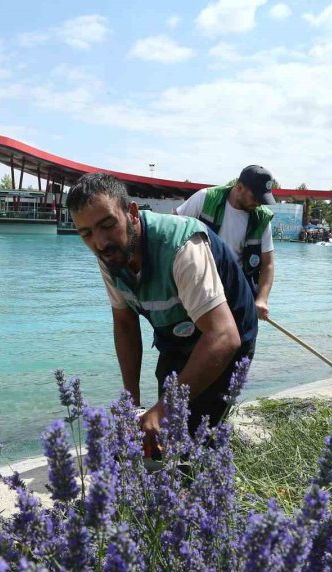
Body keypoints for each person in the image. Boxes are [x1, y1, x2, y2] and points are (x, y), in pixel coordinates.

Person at [66, 172, 258, 449]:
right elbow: (125, 324)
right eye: (86, 233)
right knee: (156, 434)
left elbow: (223, 337)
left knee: (194, 433)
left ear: (131, 212)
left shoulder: (182, 247)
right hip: (177, 333)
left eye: (108, 224)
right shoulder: (110, 253)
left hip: (227, 334)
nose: (100, 242)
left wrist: (163, 409)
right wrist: (131, 405)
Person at [173, 165, 276, 320]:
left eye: (262, 200)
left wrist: (262, 299)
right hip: (198, 284)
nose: (259, 204)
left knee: (240, 341)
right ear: (239, 187)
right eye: (255, 198)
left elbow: (267, 264)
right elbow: (172, 227)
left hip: (237, 289)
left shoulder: (262, 219)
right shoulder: (205, 198)